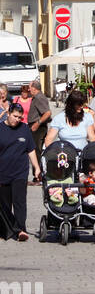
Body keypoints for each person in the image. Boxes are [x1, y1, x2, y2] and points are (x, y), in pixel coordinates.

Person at [0, 101, 41, 240]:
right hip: (3, 172)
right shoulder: (0, 128)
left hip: (20, 172)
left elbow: (31, 149)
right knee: (4, 204)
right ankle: (6, 230)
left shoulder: (24, 129)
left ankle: (20, 230)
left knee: (20, 202)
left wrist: (36, 167)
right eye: (15, 116)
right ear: (8, 114)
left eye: (20, 117)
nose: (17, 120)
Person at [24, 80, 52, 161]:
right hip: (36, 127)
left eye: (29, 88)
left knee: (36, 151)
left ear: (34, 88)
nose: (28, 90)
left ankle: (38, 171)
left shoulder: (39, 97)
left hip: (38, 128)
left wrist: (37, 123)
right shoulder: (37, 97)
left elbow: (47, 113)